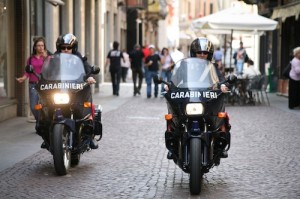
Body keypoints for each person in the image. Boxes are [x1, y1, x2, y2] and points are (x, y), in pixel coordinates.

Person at [54, 33, 98, 149]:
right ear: (59, 48)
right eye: (63, 48)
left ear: (74, 48)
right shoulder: (55, 58)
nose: (66, 50)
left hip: (78, 88)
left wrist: (89, 76)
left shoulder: (79, 57)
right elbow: (49, 70)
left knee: (86, 108)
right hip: (61, 89)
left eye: (69, 47)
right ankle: (50, 135)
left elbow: (87, 67)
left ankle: (90, 135)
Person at [16, 36, 50, 131]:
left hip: (45, 85)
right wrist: (23, 78)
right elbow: (28, 71)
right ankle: (38, 120)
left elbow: (51, 70)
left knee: (46, 105)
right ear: (35, 47)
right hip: (33, 84)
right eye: (38, 46)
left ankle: (41, 123)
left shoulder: (48, 58)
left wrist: (45, 58)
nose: (40, 48)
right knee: (33, 106)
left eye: (42, 45)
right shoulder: (30, 59)